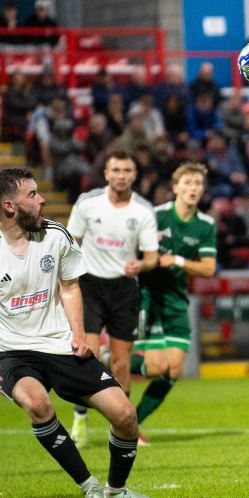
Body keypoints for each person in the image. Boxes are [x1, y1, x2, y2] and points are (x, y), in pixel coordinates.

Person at [0, 168, 147, 498]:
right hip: (10, 351)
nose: (42, 199)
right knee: (38, 404)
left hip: (59, 343)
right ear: (10, 206)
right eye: (32, 194)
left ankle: (116, 489)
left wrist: (78, 334)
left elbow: (70, 287)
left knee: (126, 416)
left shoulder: (56, 234)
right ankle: (89, 486)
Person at [66, 152, 159, 445]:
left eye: (127, 170)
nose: (121, 175)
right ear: (106, 173)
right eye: (116, 169)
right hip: (90, 285)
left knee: (120, 363)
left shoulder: (143, 211)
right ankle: (80, 417)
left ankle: (126, 424)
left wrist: (141, 265)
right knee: (88, 357)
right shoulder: (87, 203)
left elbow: (152, 257)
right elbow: (70, 243)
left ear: (134, 175)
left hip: (124, 289)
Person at [130, 163, 217, 443]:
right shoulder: (155, 217)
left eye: (198, 184)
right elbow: (130, 250)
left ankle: (132, 422)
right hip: (150, 297)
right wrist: (147, 249)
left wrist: (176, 260)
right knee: (155, 368)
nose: (194, 188)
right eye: (188, 183)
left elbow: (208, 268)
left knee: (174, 370)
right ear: (175, 187)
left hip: (177, 301)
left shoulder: (205, 225)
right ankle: (109, 360)